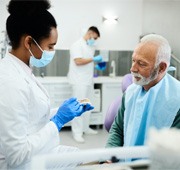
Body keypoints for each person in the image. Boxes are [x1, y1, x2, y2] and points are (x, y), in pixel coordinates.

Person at [0, 0, 94, 169]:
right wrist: (58, 121)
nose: (52, 52)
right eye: (50, 46)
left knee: (83, 156)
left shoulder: (22, 69)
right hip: (21, 164)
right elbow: (17, 155)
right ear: (29, 42)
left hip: (38, 152)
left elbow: (30, 117)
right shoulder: (10, 81)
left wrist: (63, 112)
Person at [106, 34, 180, 149]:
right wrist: (108, 158)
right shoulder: (131, 91)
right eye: (133, 60)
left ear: (161, 68)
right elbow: (117, 130)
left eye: (141, 64)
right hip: (125, 161)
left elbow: (172, 153)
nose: (133, 69)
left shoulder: (176, 100)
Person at [68, 26, 102, 143]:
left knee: (87, 106)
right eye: (95, 38)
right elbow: (78, 61)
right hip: (79, 81)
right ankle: (77, 132)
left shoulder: (88, 45)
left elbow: (87, 61)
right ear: (90, 33)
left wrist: (95, 65)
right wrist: (93, 59)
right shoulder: (77, 45)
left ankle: (85, 128)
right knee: (79, 107)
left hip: (87, 80)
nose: (95, 40)